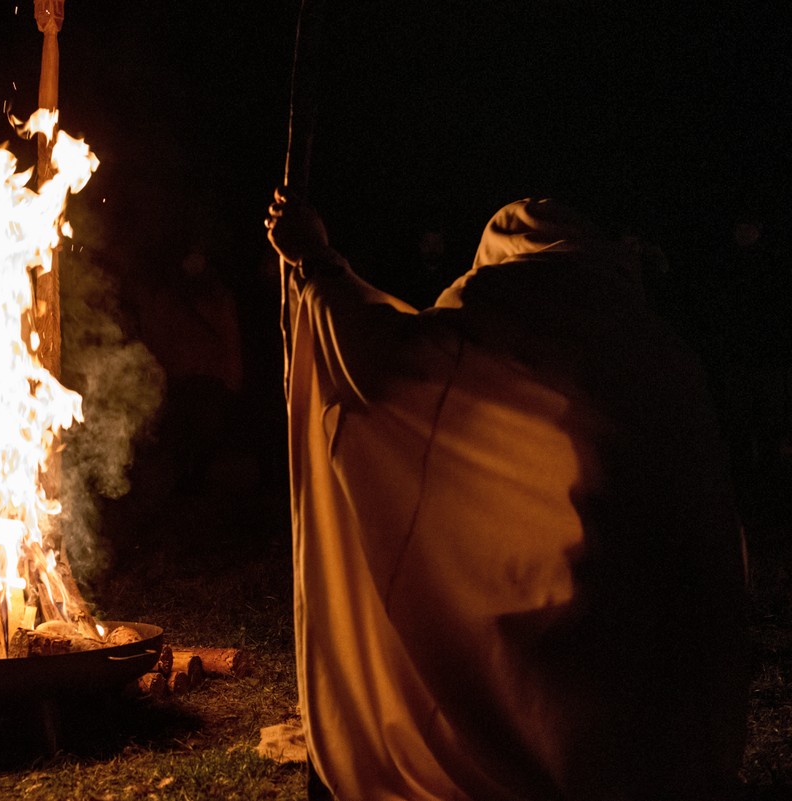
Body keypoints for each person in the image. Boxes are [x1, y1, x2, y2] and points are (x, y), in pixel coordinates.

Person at [265, 190, 750, 800]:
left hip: (590, 594)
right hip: (675, 608)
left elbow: (391, 363)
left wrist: (318, 265)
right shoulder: (650, 334)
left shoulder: (504, 304)